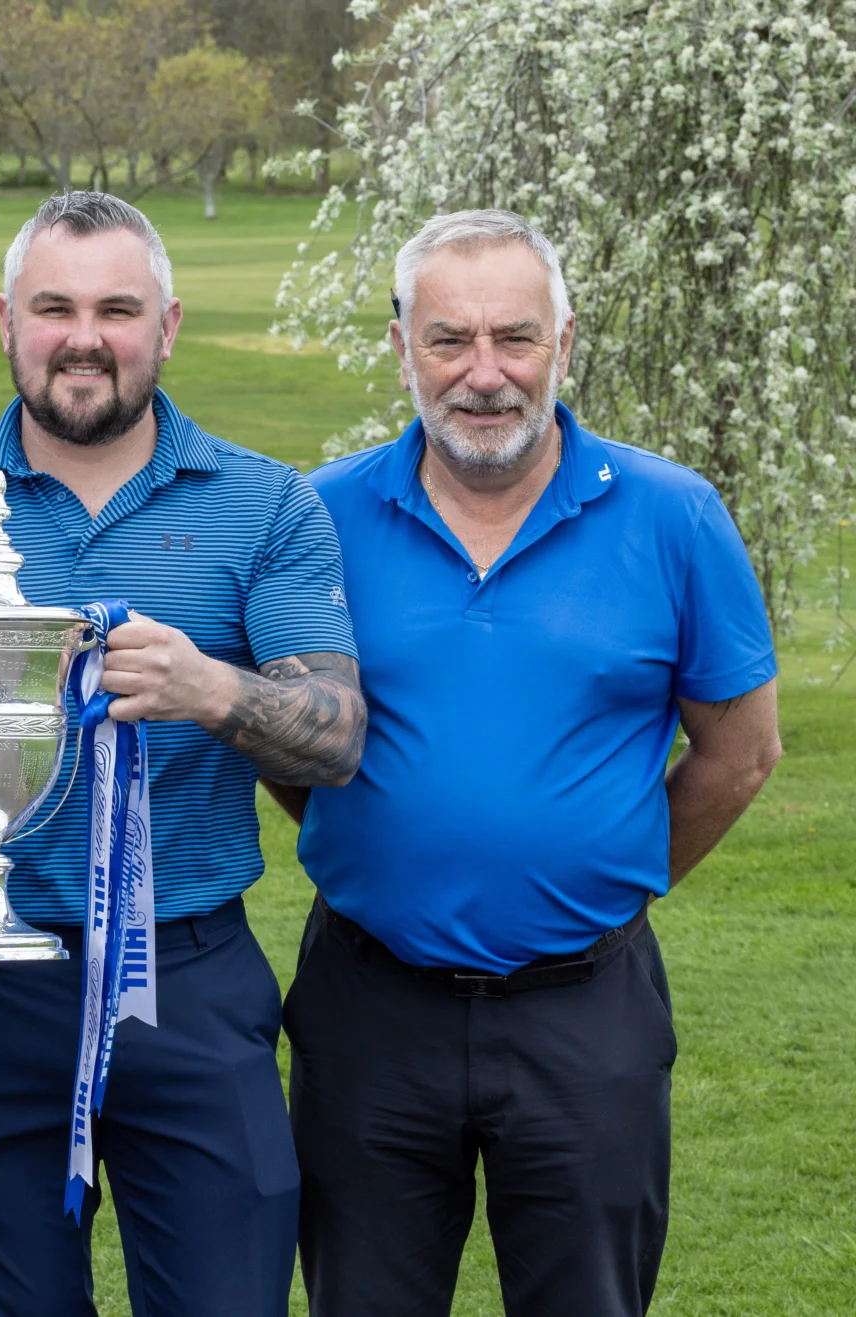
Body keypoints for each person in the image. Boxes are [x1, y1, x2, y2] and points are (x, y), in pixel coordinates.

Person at [0, 190, 367, 1316]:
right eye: (54, 308)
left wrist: (209, 688)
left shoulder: (266, 502)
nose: (85, 338)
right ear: (7, 321)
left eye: (118, 310)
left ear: (167, 326)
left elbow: (337, 737)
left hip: (188, 977)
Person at [281, 209, 783, 1317]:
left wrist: (599, 875)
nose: (485, 373)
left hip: (585, 1016)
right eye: (449, 339)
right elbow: (288, 736)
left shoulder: (674, 515)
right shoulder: (319, 516)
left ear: (564, 341)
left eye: (515, 337)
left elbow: (741, 754)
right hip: (369, 1008)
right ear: (402, 346)